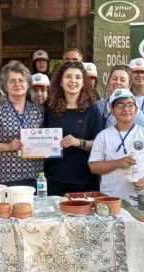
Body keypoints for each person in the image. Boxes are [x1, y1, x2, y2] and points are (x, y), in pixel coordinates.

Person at [89, 89, 144, 200]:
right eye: (120, 105)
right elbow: (94, 167)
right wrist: (118, 163)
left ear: (136, 109)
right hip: (111, 198)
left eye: (130, 105)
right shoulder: (103, 136)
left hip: (141, 199)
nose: (126, 109)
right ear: (112, 110)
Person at [0, 62, 45, 187]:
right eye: (12, 81)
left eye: (21, 80)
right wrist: (8, 146)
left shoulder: (38, 111)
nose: (17, 84)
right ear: (5, 86)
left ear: (28, 84)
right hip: (4, 179)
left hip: (34, 177)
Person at [42, 62, 104, 195]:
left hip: (84, 178)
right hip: (53, 177)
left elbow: (100, 144)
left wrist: (79, 142)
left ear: (83, 83)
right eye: (68, 76)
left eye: (78, 77)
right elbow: (40, 139)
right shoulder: (49, 108)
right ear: (60, 81)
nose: (73, 81)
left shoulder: (92, 109)